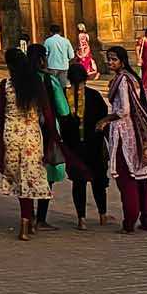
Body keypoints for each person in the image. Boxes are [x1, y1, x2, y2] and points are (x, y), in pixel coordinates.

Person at [99, 45, 147, 232]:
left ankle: (129, 221)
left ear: (122, 60)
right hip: (137, 132)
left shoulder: (122, 80)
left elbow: (124, 110)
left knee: (127, 177)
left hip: (124, 132)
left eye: (114, 59)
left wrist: (106, 119)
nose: (110, 63)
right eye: (109, 59)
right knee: (141, 176)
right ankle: (146, 218)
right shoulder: (132, 78)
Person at [0, 46, 52, 240]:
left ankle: (26, 220)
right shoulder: (36, 83)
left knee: (20, 179)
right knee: (30, 177)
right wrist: (53, 137)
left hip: (12, 135)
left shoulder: (6, 85)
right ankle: (29, 220)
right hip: (32, 136)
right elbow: (47, 113)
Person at [60, 61, 110, 228]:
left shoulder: (63, 95)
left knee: (78, 182)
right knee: (98, 181)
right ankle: (102, 214)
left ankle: (81, 218)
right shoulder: (94, 95)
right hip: (93, 144)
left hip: (73, 146)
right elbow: (104, 118)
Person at [28, 41, 70, 229]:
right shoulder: (48, 80)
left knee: (28, 173)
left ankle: (27, 216)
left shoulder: (20, 80)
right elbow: (63, 108)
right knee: (47, 173)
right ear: (43, 59)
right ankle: (41, 218)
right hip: (47, 130)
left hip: (26, 131)